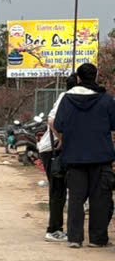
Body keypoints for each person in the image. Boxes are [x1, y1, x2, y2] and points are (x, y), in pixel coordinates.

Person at [52, 62, 115, 248]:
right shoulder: (106, 100)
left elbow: (59, 124)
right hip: (101, 156)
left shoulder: (66, 99)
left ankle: (74, 238)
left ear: (78, 78)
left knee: (76, 200)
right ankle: (97, 238)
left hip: (74, 157)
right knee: (100, 200)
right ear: (96, 77)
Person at [39, 73, 78, 242]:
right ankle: (53, 229)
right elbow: (52, 120)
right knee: (57, 190)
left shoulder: (71, 97)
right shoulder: (66, 97)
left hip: (56, 149)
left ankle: (59, 228)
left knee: (62, 190)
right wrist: (62, 140)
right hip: (52, 150)